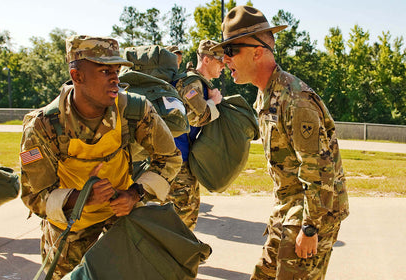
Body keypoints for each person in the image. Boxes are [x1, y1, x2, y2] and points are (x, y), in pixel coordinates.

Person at [20, 35, 182, 279]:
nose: (116, 79)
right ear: (77, 76)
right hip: (70, 229)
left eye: (117, 70)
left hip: (120, 218)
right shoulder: (44, 126)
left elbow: (169, 158)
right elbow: (34, 196)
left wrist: (135, 194)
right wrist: (81, 197)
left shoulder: (135, 109)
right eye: (105, 71)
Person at [211, 6, 349, 279]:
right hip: (288, 212)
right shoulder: (265, 96)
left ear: (257, 51)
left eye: (231, 51)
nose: (225, 60)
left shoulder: (295, 100)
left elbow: (319, 171)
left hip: (312, 217)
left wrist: (310, 229)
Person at [168, 39, 224, 230]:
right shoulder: (193, 83)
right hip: (177, 161)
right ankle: (179, 257)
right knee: (185, 217)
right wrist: (214, 102)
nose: (223, 65)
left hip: (173, 157)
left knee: (174, 217)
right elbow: (195, 117)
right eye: (219, 60)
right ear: (206, 60)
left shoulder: (191, 80)